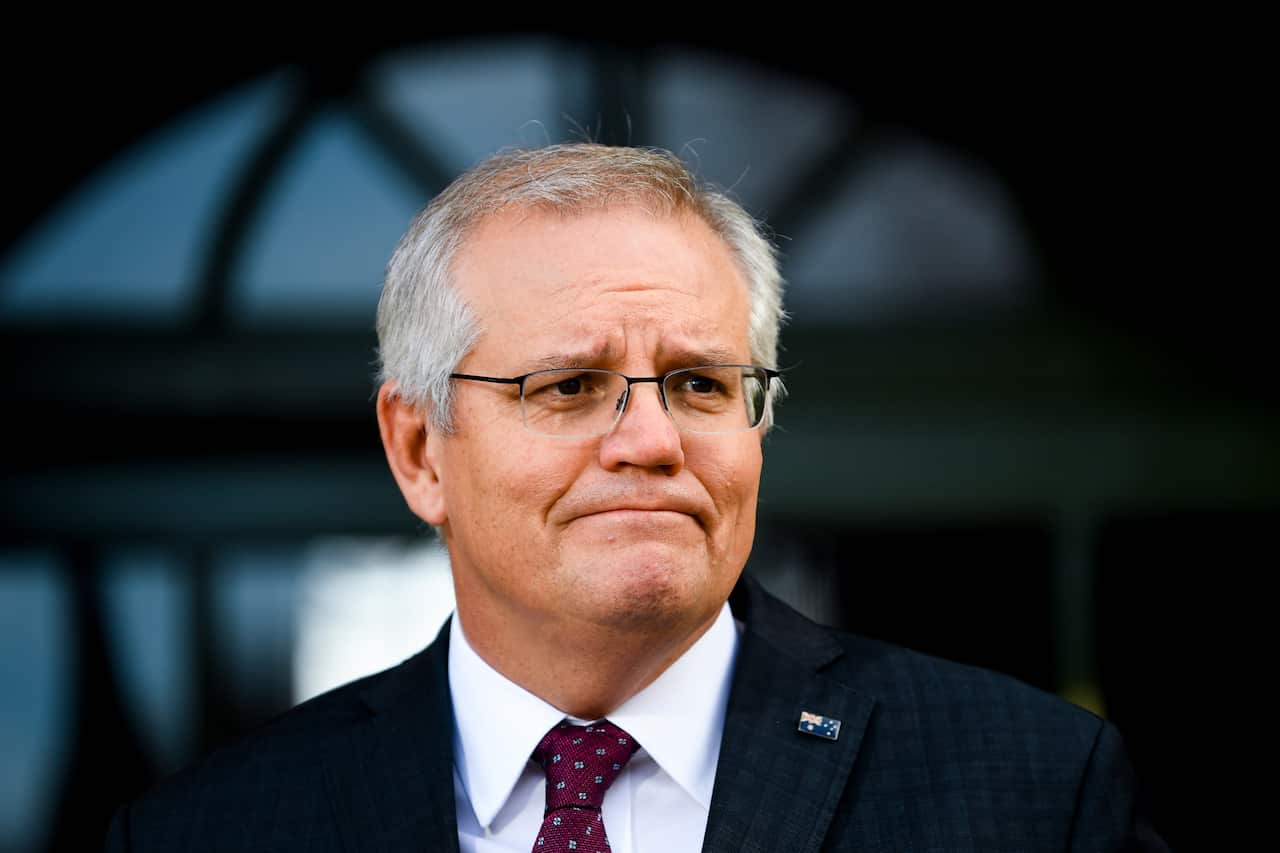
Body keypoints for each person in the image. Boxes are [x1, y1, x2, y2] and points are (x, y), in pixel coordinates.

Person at [105, 144, 1168, 851]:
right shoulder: (214, 829)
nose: (652, 441)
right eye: (569, 387)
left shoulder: (1033, 792)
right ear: (420, 448)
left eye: (701, 384)